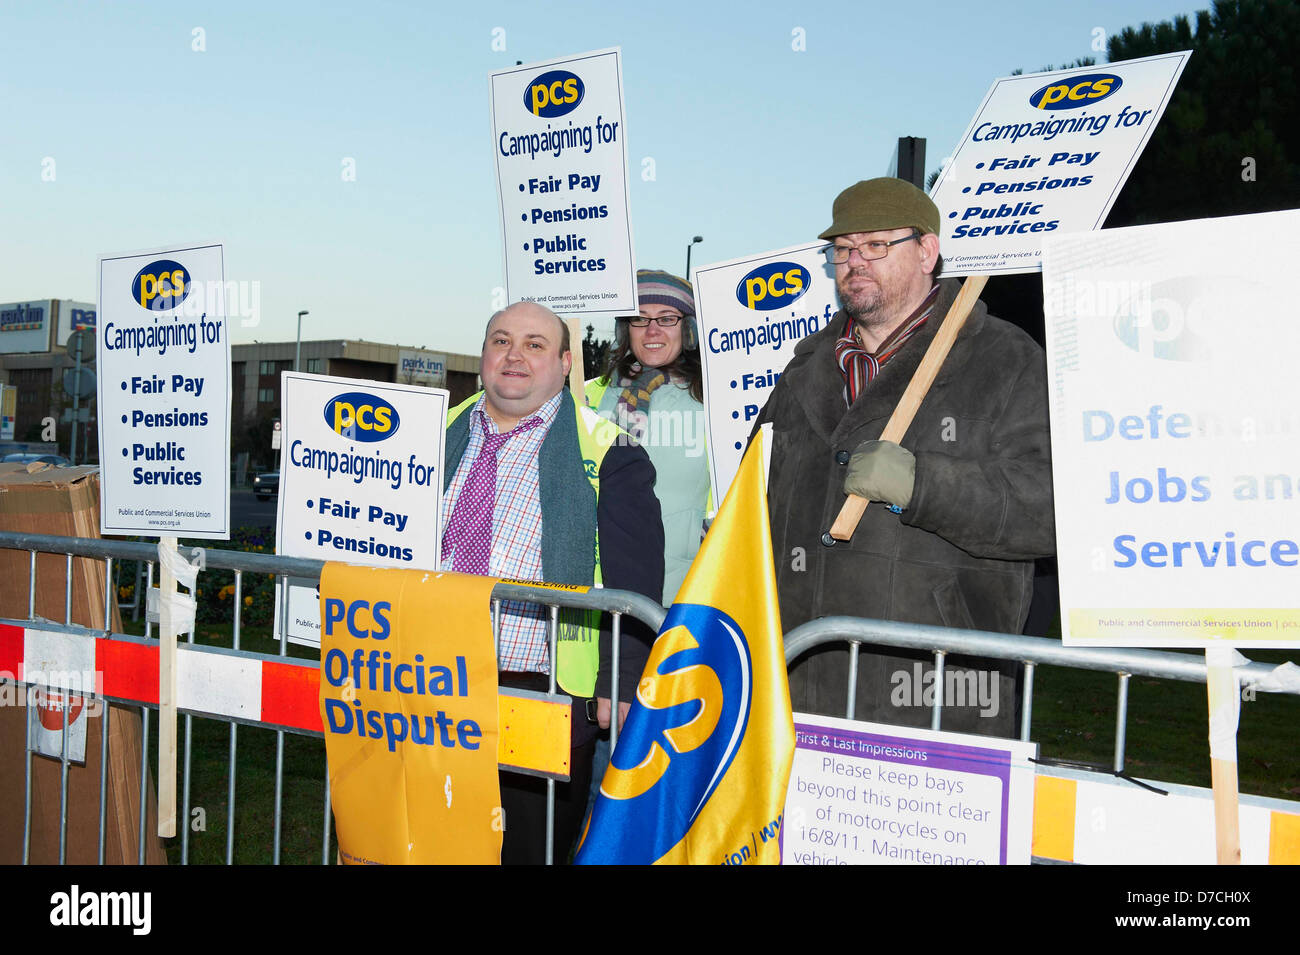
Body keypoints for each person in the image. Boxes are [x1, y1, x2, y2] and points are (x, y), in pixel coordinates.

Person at [756, 177, 1055, 738]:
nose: (855, 262)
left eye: (876, 245)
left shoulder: (1004, 359)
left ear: (926, 251)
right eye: (843, 249)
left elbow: (1050, 510)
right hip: (797, 684)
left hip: (935, 691)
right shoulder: (803, 370)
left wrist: (924, 486)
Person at [441, 301, 664, 863]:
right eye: (500, 341)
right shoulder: (431, 429)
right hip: (427, 678)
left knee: (526, 850)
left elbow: (634, 584)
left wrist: (620, 680)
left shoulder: (611, 450)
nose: (513, 355)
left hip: (538, 692)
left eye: (534, 344)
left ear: (566, 364)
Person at [586, 269, 710, 605]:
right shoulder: (591, 395)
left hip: (684, 590)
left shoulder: (713, 399)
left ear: (688, 329)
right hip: (600, 586)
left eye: (667, 318)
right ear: (626, 329)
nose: (652, 330)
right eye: (640, 319)